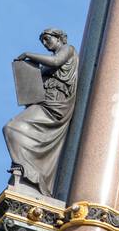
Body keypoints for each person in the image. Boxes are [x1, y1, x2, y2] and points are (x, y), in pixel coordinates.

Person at [4, 29, 78, 197]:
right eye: (43, 41)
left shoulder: (67, 49)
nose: (45, 44)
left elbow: (56, 61)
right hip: (44, 102)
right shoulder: (46, 65)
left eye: (47, 39)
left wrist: (29, 55)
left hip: (56, 105)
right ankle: (26, 172)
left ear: (59, 38)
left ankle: (30, 174)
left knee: (12, 128)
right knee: (11, 129)